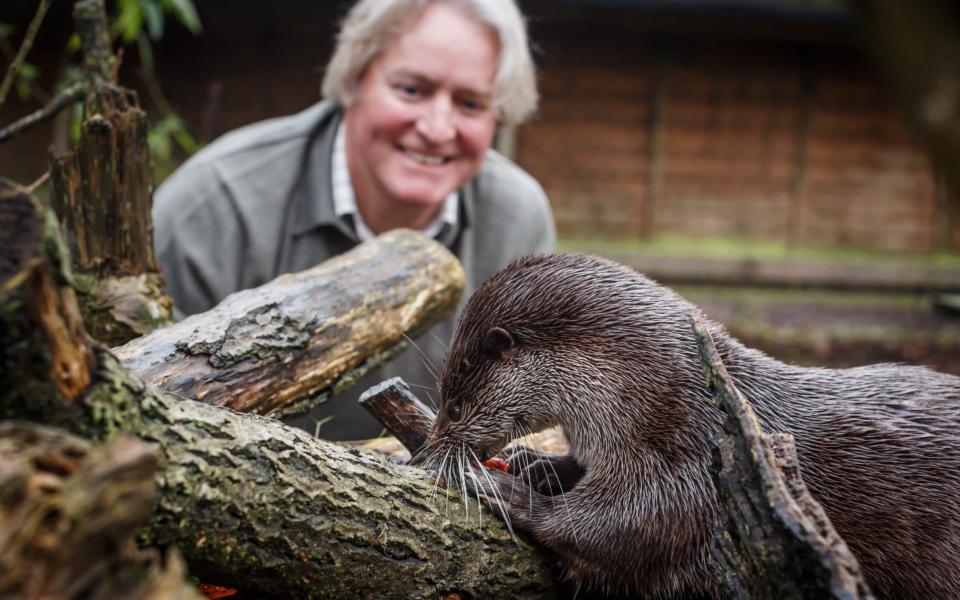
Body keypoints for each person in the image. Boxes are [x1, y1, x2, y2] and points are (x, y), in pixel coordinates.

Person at [152, 0, 555, 440]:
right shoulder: (213, 208)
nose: (438, 129)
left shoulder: (518, 223)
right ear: (354, 79)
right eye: (411, 90)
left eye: (470, 103)